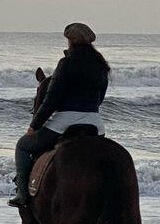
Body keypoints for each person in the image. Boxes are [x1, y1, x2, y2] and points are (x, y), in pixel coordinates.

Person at [10, 22, 110, 208]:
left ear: (71, 41)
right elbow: (100, 98)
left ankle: (22, 195)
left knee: (23, 146)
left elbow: (51, 99)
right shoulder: (101, 66)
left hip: (64, 122)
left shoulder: (66, 63)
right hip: (96, 124)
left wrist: (34, 125)